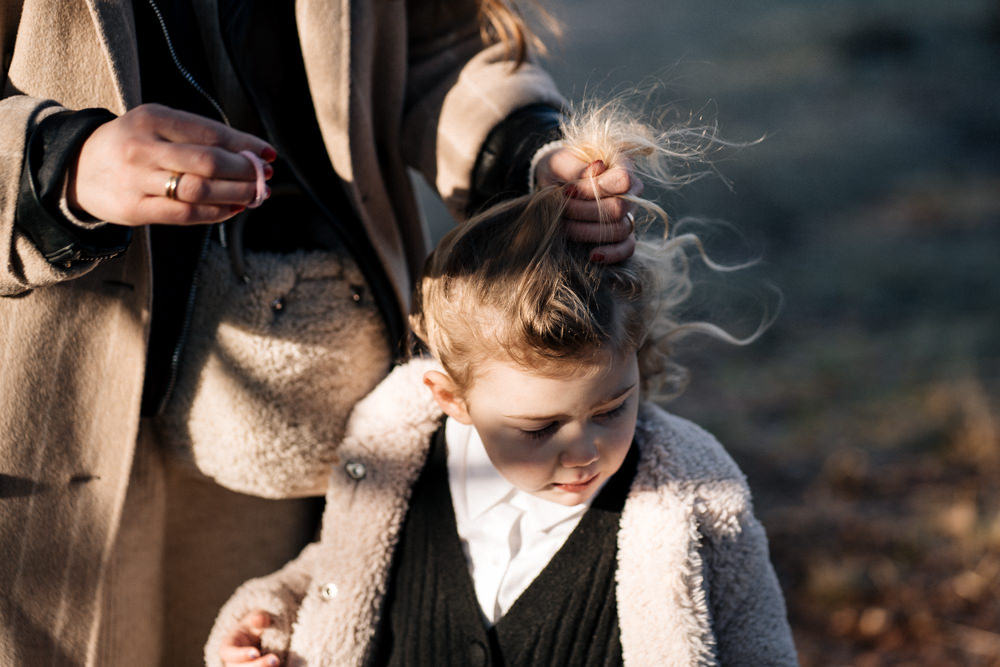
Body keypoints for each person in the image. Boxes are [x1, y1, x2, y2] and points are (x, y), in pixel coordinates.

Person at [0, 1, 638, 665]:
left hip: (303, 394)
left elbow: (436, 42)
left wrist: (521, 149)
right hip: (42, 401)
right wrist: (56, 166)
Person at [206, 104, 797, 667]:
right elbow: (340, 570)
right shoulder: (400, 461)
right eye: (539, 429)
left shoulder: (692, 494)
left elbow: (758, 644)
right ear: (451, 399)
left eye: (613, 407)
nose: (586, 450)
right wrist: (269, 617)